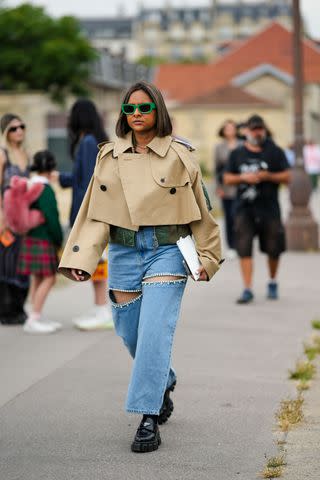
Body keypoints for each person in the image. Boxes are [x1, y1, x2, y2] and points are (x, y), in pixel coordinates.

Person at [58, 81, 222, 452]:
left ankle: (148, 417)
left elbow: (202, 210)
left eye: (144, 108)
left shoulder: (181, 155)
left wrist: (209, 257)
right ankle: (163, 377)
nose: (135, 115)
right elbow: (93, 212)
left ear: (157, 111)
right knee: (131, 334)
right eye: (129, 109)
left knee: (152, 332)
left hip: (166, 250)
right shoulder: (108, 156)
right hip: (123, 252)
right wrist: (82, 258)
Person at [56, 99, 113, 331]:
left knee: (96, 261)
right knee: (94, 261)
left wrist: (82, 218)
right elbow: (82, 179)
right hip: (92, 212)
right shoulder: (91, 141)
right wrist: (60, 177)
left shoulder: (88, 142)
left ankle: (102, 310)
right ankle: (100, 307)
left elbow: (91, 183)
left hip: (90, 214)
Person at [224, 114, 291, 304]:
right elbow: (227, 178)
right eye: (253, 129)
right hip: (244, 209)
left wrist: (268, 175)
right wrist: (243, 178)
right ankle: (247, 288)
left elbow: (288, 177)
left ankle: (272, 281)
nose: (257, 132)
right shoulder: (237, 153)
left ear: (264, 130)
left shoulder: (275, 151)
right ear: (246, 132)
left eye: (260, 129)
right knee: (244, 248)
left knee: (273, 249)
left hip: (269, 209)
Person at [18, 150, 63, 333]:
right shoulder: (45, 189)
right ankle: (34, 317)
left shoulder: (30, 186)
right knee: (50, 278)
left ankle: (34, 315)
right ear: (52, 167)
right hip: (44, 239)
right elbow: (52, 217)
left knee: (38, 277)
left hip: (30, 238)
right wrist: (59, 239)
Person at [0, 113, 30, 324]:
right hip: (6, 218)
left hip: (24, 220)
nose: (18, 131)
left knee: (22, 262)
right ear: (5, 132)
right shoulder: (3, 155)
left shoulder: (26, 154)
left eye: (21, 126)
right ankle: (7, 310)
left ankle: (19, 307)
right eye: (13, 128)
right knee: (6, 263)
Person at [214, 120, 241, 259]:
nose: (230, 131)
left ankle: (241, 244)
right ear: (223, 131)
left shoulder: (242, 145)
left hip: (242, 187)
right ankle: (231, 246)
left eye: (232, 128)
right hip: (226, 187)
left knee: (241, 217)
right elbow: (216, 168)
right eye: (227, 128)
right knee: (229, 217)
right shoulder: (219, 147)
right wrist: (218, 187)